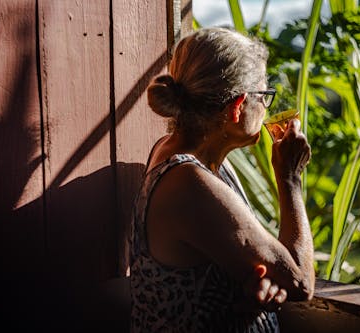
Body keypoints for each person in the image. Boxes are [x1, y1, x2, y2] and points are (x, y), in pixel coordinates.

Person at [130, 27, 315, 332]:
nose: (266, 107)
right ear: (238, 106)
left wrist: (263, 279)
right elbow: (300, 282)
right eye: (264, 96)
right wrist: (290, 179)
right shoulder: (188, 183)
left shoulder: (183, 156)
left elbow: (245, 261)